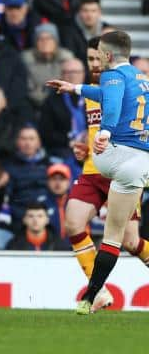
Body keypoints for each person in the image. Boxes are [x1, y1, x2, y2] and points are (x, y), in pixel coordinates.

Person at [47, 31, 149, 315]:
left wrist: (105, 134)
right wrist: (86, 147)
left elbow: (113, 114)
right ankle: (99, 293)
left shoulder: (114, 79)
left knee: (128, 240)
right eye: (89, 58)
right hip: (97, 168)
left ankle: (92, 293)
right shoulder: (131, 81)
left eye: (97, 57)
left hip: (119, 164)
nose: (94, 63)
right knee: (74, 222)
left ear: (106, 56)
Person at [3, 125, 49, 230]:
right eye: (23, 139)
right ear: (17, 142)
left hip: (47, 214)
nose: (27, 143)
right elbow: (7, 197)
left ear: (39, 143)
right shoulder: (8, 167)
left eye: (31, 139)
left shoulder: (50, 166)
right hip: (20, 218)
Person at [39, 58, 86, 159]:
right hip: (63, 149)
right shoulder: (51, 101)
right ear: (61, 75)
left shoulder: (94, 96)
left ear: (83, 74)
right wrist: (69, 141)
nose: (72, 75)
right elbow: (46, 133)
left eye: (76, 72)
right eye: (68, 72)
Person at [22, 22, 75, 111]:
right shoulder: (27, 60)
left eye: (49, 38)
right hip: (35, 106)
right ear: (35, 42)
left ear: (56, 42)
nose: (45, 42)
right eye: (41, 39)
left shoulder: (67, 58)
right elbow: (28, 89)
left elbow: (70, 84)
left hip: (63, 106)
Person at [6, 202, 70, 251]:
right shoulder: (14, 245)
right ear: (24, 220)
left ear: (47, 220)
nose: (35, 220)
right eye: (31, 216)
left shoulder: (59, 244)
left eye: (40, 216)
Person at [41, 163, 71, 239]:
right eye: (54, 179)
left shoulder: (78, 202)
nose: (58, 183)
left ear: (69, 182)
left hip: (74, 247)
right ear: (48, 182)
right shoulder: (41, 203)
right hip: (50, 248)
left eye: (62, 179)